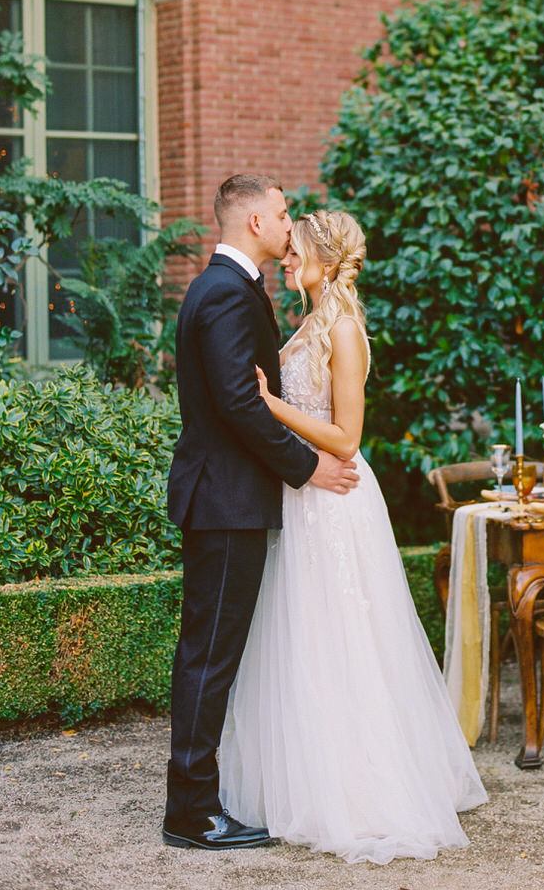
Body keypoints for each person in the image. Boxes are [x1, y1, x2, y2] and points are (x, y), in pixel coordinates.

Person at [218, 208, 487, 863]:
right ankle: (309, 775)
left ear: (327, 262)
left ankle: (364, 789)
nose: (288, 258)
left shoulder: (343, 327)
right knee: (304, 634)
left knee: (346, 634)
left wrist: (270, 403)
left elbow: (347, 436)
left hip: (336, 496)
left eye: (298, 250)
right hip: (304, 491)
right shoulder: (308, 321)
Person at [163, 175, 360, 851]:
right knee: (208, 657)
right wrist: (310, 468)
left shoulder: (233, 288)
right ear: (252, 221)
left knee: (212, 655)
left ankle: (199, 797)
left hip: (230, 500)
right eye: (279, 213)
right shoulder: (223, 292)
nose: (287, 224)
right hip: (223, 503)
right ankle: (191, 810)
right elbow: (239, 403)